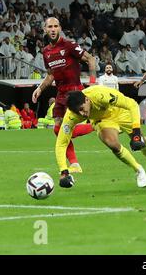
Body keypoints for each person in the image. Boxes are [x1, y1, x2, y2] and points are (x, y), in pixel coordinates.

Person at [56, 86, 146, 188]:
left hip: (121, 112)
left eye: (82, 109)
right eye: (78, 112)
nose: (82, 114)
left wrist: (137, 132)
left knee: (141, 140)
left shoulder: (101, 95)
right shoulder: (71, 117)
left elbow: (132, 104)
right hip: (102, 120)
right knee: (111, 143)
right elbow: (61, 143)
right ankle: (138, 169)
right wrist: (64, 171)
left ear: (87, 100)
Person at [31, 17, 96, 174]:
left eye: (55, 26)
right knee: (58, 130)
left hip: (74, 92)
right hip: (60, 93)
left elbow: (90, 59)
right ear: (45, 30)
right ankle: (75, 163)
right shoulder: (46, 52)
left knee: (65, 130)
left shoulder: (69, 45)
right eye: (49, 27)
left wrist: (92, 82)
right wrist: (40, 88)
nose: (53, 29)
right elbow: (50, 75)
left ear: (59, 28)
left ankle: (94, 127)